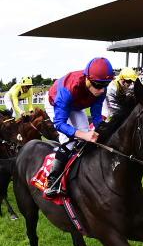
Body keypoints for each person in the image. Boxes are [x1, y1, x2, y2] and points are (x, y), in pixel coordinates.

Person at [43, 57, 114, 198]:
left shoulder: (100, 87)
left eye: (106, 85)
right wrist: (82, 134)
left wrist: (104, 130)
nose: (102, 90)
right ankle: (52, 180)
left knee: (87, 137)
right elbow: (59, 123)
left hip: (76, 106)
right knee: (69, 141)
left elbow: (97, 117)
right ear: (87, 79)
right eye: (98, 85)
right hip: (56, 103)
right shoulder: (68, 89)